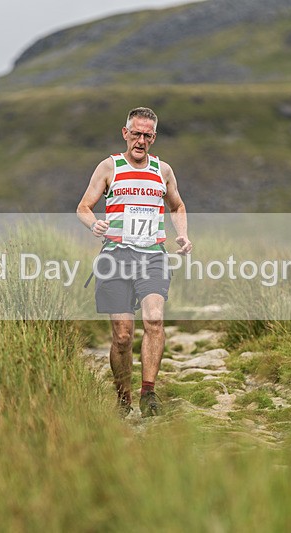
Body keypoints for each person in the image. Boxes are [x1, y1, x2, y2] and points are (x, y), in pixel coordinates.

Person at [77, 107, 192, 417]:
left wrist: (181, 235)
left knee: (154, 319)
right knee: (123, 335)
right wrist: (94, 224)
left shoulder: (163, 170)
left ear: (154, 137)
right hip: (115, 257)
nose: (141, 140)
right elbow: (84, 207)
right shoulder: (109, 167)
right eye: (136, 133)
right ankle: (122, 397)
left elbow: (177, 206)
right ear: (125, 133)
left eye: (147, 135)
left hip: (152, 255)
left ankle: (149, 393)